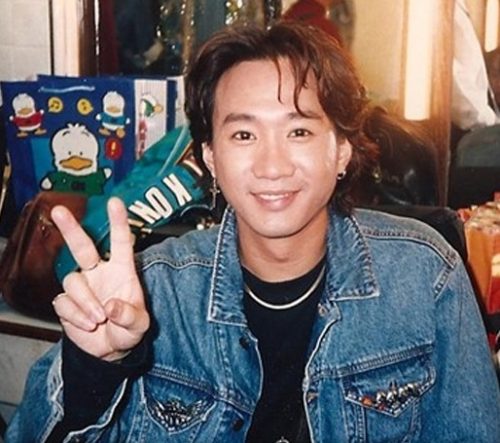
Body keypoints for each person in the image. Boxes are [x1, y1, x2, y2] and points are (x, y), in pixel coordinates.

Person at [6, 22, 500, 443]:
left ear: (342, 151)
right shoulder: (156, 289)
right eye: (244, 134)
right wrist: (94, 368)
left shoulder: (425, 276)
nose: (271, 165)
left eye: (298, 131)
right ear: (210, 159)